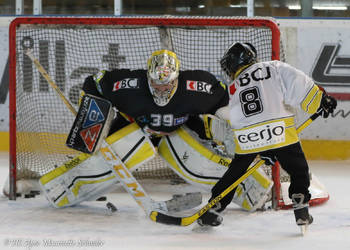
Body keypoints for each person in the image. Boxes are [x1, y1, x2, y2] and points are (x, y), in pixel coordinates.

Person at [198, 42, 337, 228]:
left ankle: (214, 208)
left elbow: (238, 117)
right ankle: (300, 204)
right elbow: (297, 83)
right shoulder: (273, 67)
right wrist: (320, 101)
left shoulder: (234, 86)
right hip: (279, 130)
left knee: (236, 172)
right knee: (298, 169)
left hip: (247, 135)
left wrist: (261, 145)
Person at [81, 49, 229, 139]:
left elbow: (222, 97)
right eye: (156, 82)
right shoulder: (130, 84)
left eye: (167, 83)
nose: (162, 88)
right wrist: (93, 115)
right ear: (147, 76)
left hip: (181, 129)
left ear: (176, 78)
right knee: (102, 147)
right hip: (135, 126)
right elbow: (94, 83)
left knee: (211, 135)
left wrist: (222, 123)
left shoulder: (196, 86)